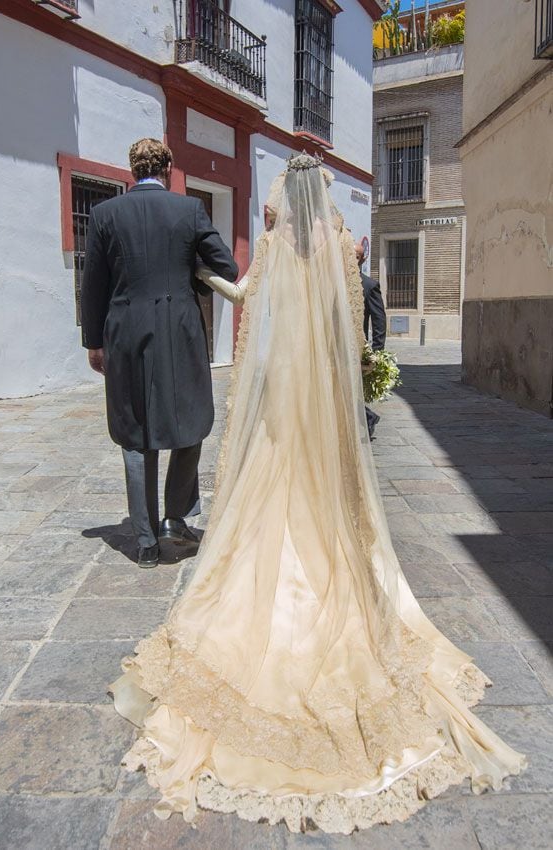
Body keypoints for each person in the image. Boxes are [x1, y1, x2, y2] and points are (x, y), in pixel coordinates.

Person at [110, 153, 525, 834]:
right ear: (323, 197)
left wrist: (205, 275)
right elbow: (350, 315)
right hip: (324, 405)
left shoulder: (271, 246)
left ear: (280, 198)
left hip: (281, 401)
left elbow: (247, 301)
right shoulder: (340, 245)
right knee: (329, 502)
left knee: (267, 496)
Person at [81, 138, 238, 568]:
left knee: (135, 433)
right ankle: (176, 518)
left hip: (124, 334)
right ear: (168, 167)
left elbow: (92, 284)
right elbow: (228, 267)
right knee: (192, 422)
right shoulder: (189, 211)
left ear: (133, 170)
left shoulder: (103, 213)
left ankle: (146, 541)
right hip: (180, 332)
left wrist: (94, 342)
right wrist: (190, 270)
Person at [355, 242, 387, 438]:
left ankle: (367, 417)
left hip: (358, 348)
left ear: (362, 260)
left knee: (349, 389)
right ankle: (367, 417)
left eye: (356, 256)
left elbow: (379, 320)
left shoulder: (369, 285)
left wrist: (376, 352)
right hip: (334, 348)